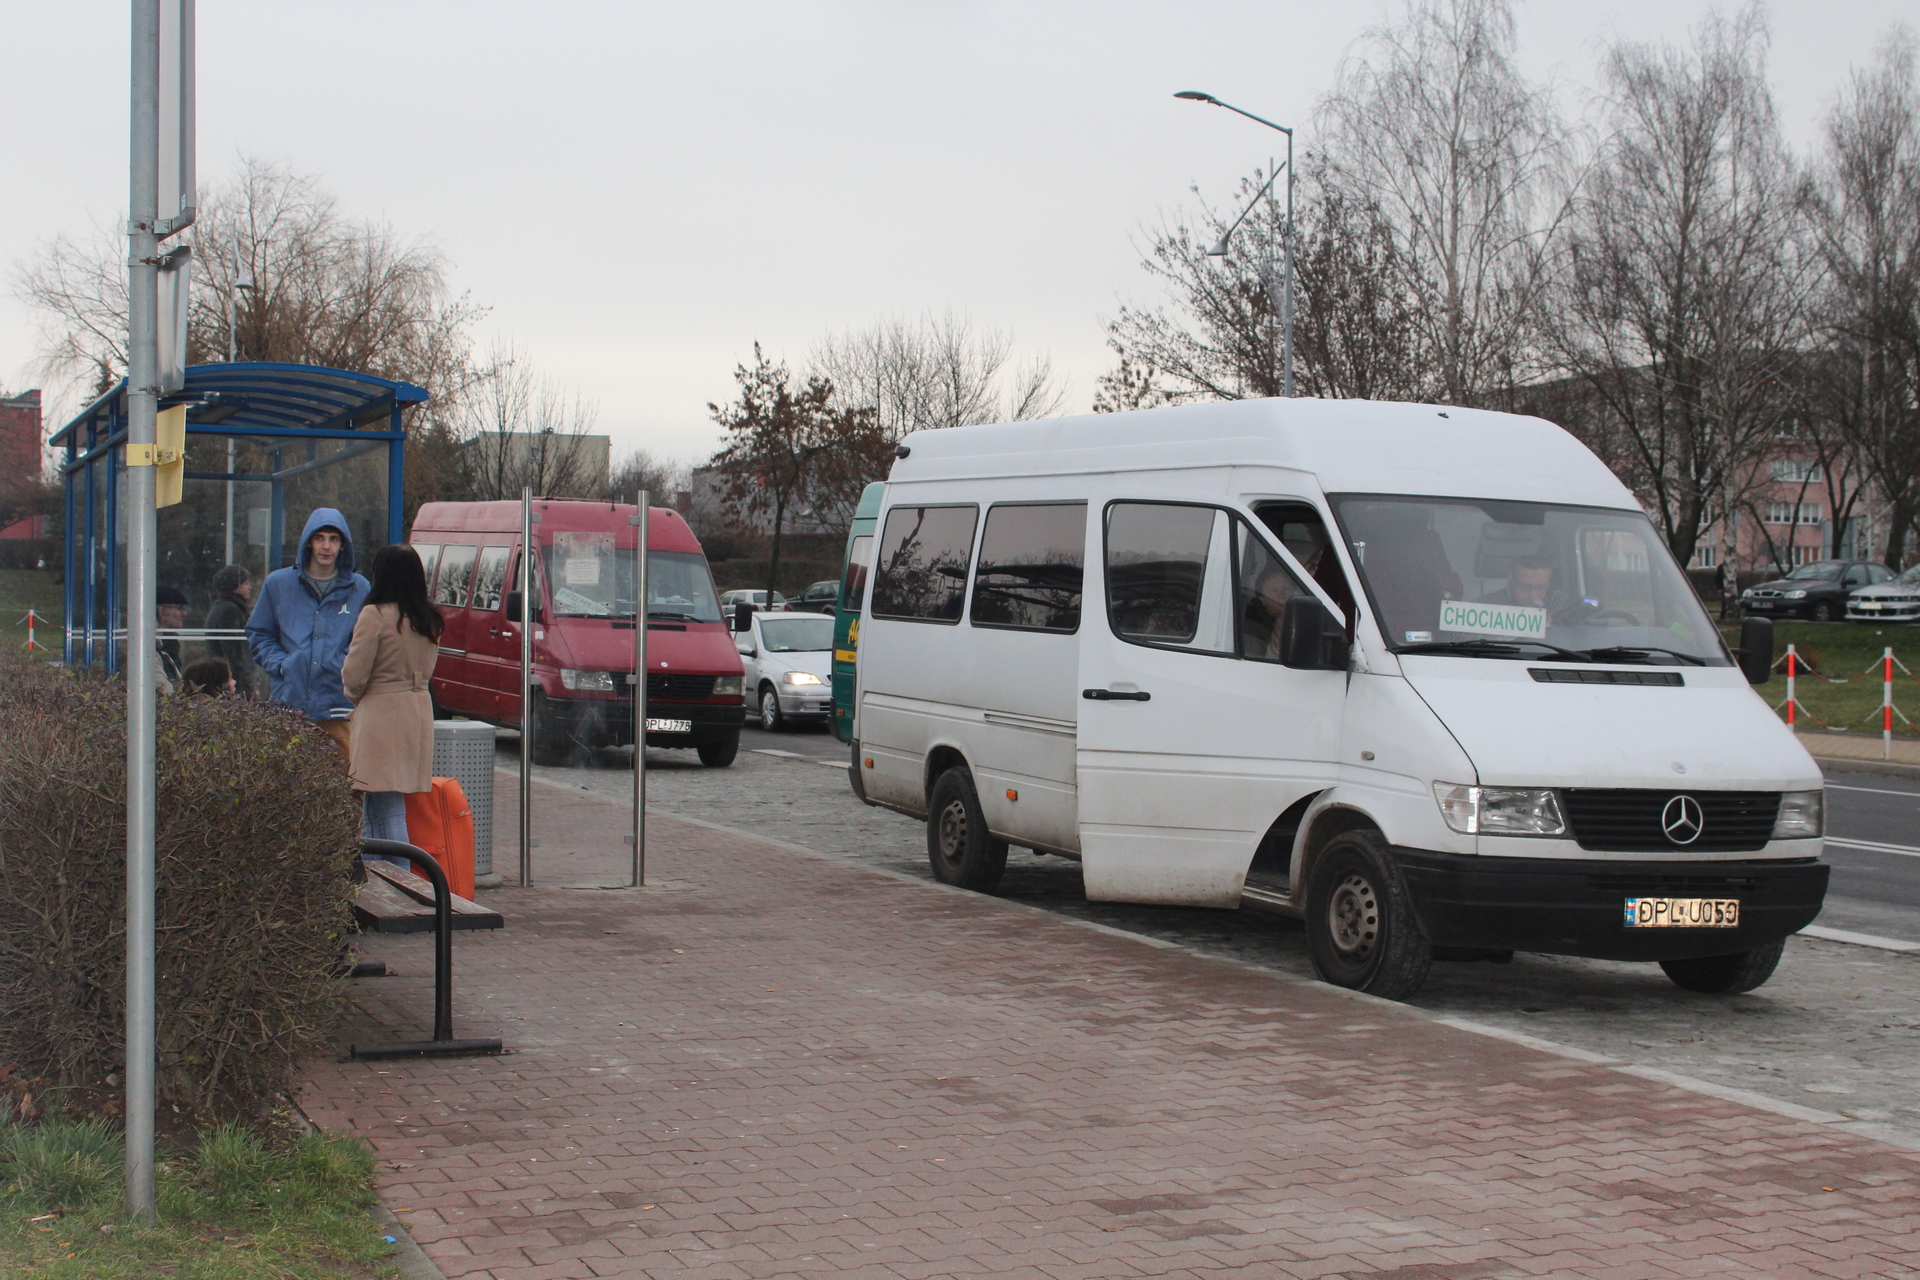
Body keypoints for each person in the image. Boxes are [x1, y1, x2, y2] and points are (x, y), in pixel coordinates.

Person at [341, 544, 443, 860]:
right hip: (416, 712)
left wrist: (355, 696)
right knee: (383, 803)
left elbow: (355, 675)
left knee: (385, 807)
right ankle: (382, 882)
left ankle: (396, 882)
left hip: (381, 715)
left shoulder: (375, 615)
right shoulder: (429, 619)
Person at [245, 508, 370, 756]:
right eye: (320, 538)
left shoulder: (360, 588)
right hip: (290, 703)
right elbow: (259, 633)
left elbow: (367, 640)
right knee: (290, 784)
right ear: (308, 542)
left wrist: (346, 666)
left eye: (334, 539)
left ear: (343, 545)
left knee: (346, 785)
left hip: (339, 705)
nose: (326, 546)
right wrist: (282, 664)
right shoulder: (279, 584)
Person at [204, 564, 258, 696]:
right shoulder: (230, 611)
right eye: (245, 584)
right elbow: (234, 654)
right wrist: (247, 686)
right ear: (235, 587)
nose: (249, 587)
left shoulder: (224, 608)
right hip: (234, 685)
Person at [1488, 557, 1570, 616]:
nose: (1533, 596)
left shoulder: (1562, 604)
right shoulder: (1488, 606)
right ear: (1511, 581)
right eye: (1525, 587)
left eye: (1540, 587)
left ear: (1549, 584)